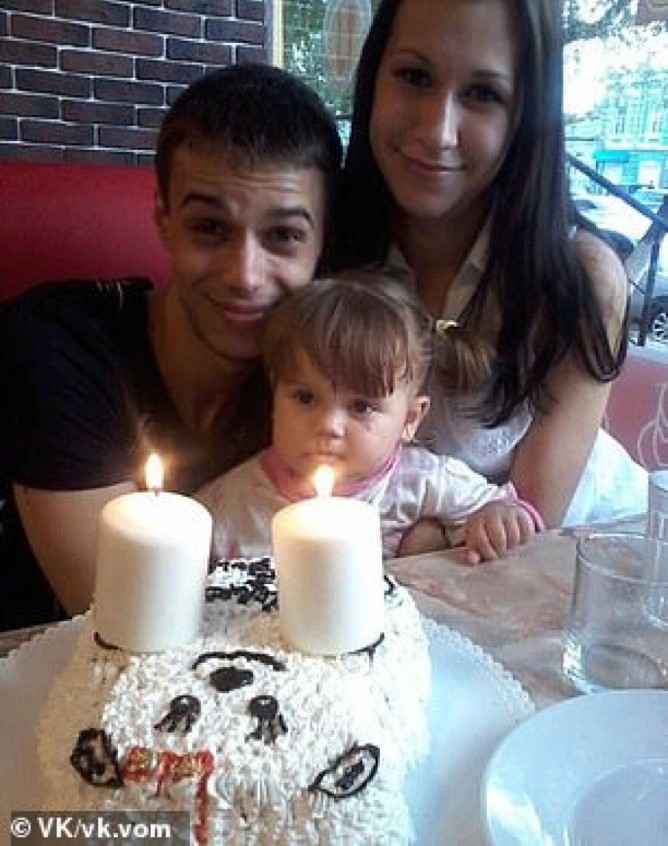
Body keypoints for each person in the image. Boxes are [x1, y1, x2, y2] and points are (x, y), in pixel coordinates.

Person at [0, 63, 343, 631]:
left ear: (322, 242)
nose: (245, 275)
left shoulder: (316, 384)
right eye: (210, 228)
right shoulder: (56, 348)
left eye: (283, 236)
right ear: (163, 218)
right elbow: (130, 619)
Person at [331, 0, 647, 533]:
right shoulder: (322, 243)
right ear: (373, 80)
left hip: (589, 555)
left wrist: (419, 538)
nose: (438, 131)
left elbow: (523, 534)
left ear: (525, 116)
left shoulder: (581, 278)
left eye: (482, 93)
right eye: (414, 76)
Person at [196, 275, 543, 564]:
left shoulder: (422, 481)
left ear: (410, 419)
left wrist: (497, 520)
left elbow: (502, 508)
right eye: (305, 398)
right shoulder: (232, 500)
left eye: (361, 407)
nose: (329, 425)